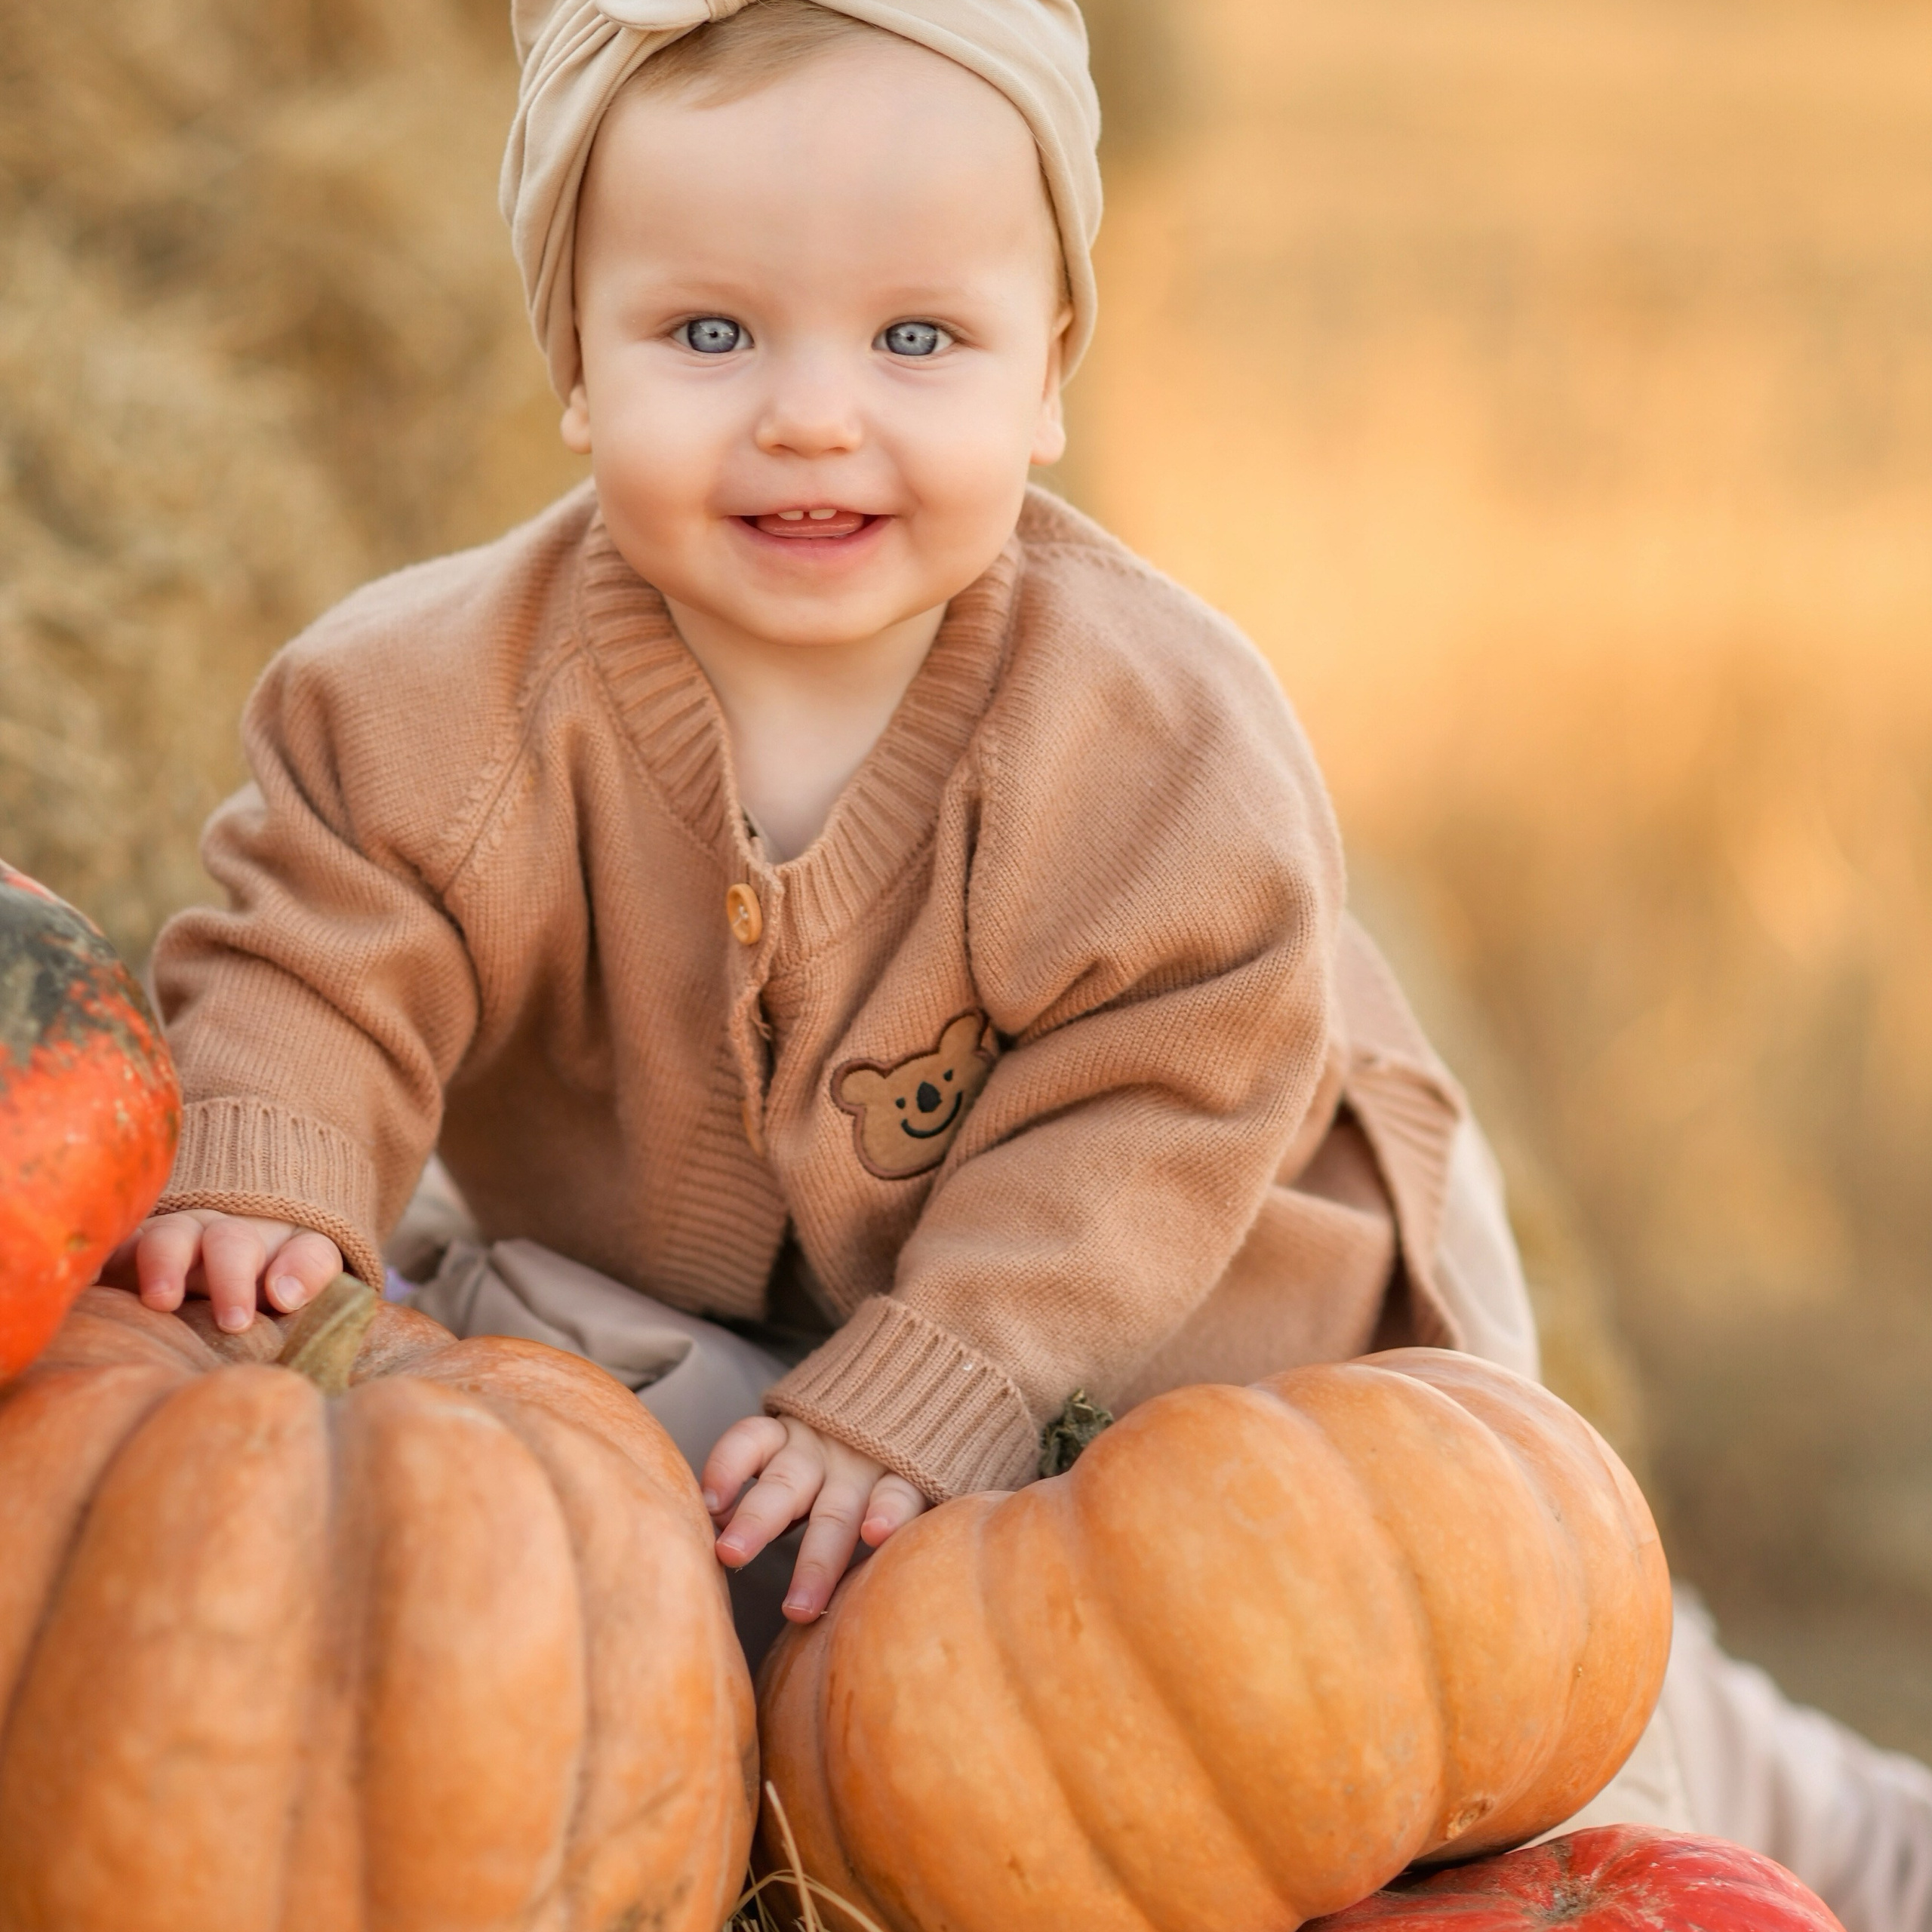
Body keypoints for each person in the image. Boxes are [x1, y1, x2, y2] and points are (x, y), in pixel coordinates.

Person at [104, 5, 1932, 1925]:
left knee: (1500, 1742)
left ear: (1049, 372)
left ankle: (1845, 1826)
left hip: (1197, 1357)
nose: (814, 413)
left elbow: (1171, 1074)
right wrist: (272, 1165)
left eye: (918, 339)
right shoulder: (427, 699)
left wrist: (960, 1366)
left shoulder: (1144, 736)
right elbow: (324, 927)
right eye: (708, 332)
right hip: (718, 1327)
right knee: (578, 1474)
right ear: (568, 357)